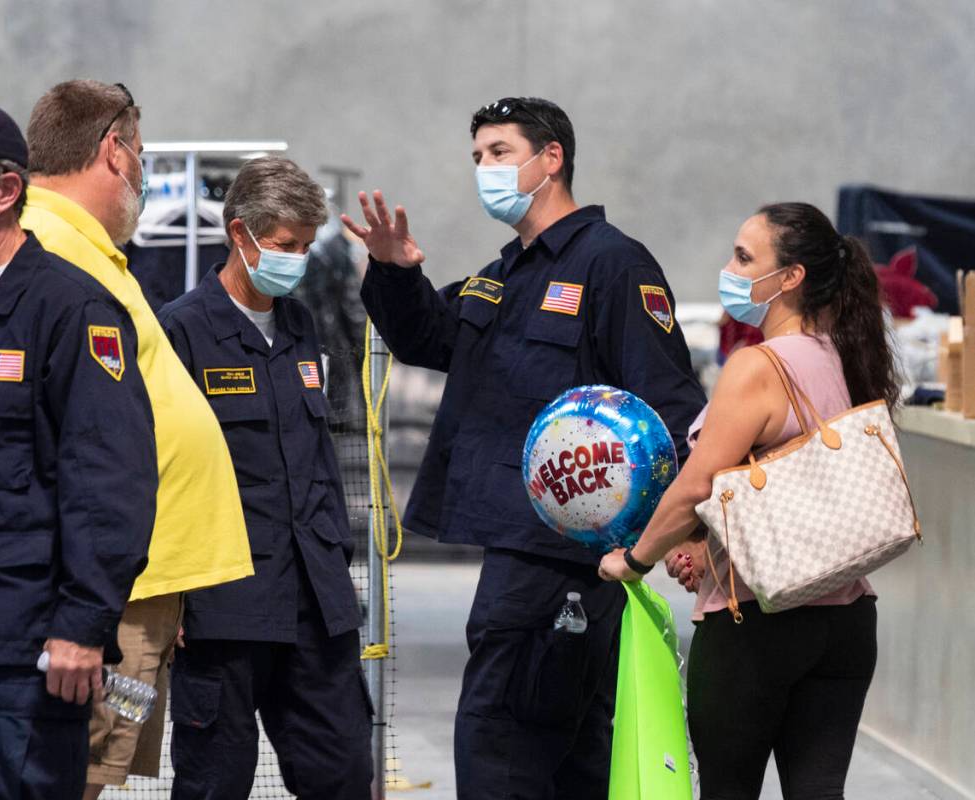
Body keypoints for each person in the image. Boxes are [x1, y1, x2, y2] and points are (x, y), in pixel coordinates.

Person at [345, 96, 705, 799]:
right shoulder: (505, 271)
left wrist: (676, 534)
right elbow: (430, 339)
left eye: (500, 153)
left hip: (567, 555)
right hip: (516, 544)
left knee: (500, 739)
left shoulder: (613, 265)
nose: (484, 169)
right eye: (477, 157)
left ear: (551, 159)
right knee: (562, 750)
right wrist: (393, 271)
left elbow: (670, 407)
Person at [599, 202, 896, 800]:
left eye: (743, 258)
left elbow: (699, 485)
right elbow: (794, 486)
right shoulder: (851, 354)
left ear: (790, 279)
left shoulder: (758, 366)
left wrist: (635, 558)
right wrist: (706, 549)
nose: (728, 269)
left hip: (755, 623)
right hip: (847, 620)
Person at [19, 80, 254, 799]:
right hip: (106, 594)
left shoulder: (86, 253)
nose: (146, 177)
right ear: (113, 151)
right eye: (143, 156)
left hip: (138, 585)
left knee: (96, 767)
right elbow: (76, 439)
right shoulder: (52, 250)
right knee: (71, 773)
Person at [0, 97, 157, 799]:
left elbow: (110, 483)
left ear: (6, 191)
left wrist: (82, 626)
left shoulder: (72, 309)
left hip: (19, 654)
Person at [157, 156, 373, 800]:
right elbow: (160, 468)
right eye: (284, 246)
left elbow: (318, 457)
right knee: (214, 781)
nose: (297, 260)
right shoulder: (181, 330)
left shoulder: (302, 325)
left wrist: (337, 558)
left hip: (316, 602)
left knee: (343, 773)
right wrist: (170, 588)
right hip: (224, 602)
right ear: (239, 234)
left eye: (306, 246)